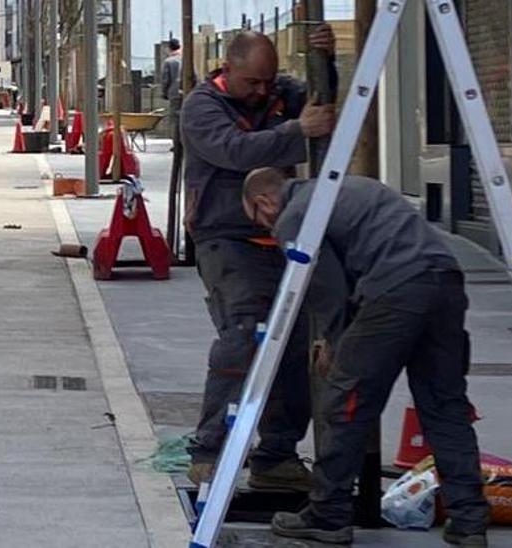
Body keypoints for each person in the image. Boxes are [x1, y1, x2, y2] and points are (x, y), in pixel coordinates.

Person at [243, 168, 490, 547]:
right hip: (445, 281)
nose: (266, 226)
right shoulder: (351, 186)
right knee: (445, 406)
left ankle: (328, 515)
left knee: (346, 403)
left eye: (259, 219)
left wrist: (332, 339)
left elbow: (324, 285)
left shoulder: (294, 215)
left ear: (263, 202)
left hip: (393, 292)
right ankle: (469, 520)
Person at [179, 28, 338, 490]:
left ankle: (276, 455)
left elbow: (320, 105)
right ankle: (210, 448)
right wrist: (296, 132)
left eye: (268, 81)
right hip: (225, 237)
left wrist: (322, 62)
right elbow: (234, 152)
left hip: (282, 233)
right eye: (253, 83)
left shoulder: (280, 95)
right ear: (227, 70)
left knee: (293, 346)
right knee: (244, 335)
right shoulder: (202, 106)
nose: (263, 91)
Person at [160, 39, 183, 146]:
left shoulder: (168, 61)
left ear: (169, 48)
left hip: (174, 93)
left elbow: (165, 79)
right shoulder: (186, 59)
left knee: (175, 119)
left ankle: (176, 143)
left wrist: (164, 93)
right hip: (187, 93)